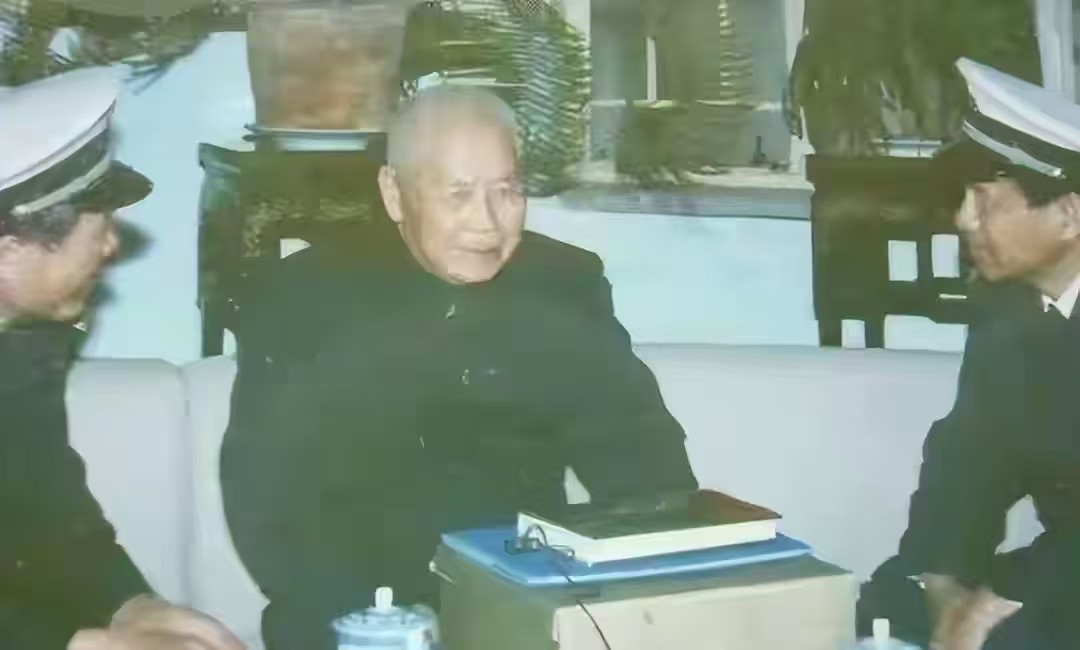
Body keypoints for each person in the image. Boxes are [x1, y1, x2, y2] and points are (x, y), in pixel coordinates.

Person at [221, 86, 699, 650]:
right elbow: (267, 503)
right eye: (459, 194)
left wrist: (625, 597)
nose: (488, 223)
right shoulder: (306, 297)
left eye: (507, 191)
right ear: (394, 194)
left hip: (520, 609)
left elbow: (646, 462)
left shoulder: (561, 285)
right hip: (354, 617)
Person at [0, 69, 245, 650]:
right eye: (99, 230)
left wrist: (131, 607)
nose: (112, 247)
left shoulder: (21, 351)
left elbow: (49, 517)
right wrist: (89, 645)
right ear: (10, 252)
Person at [857, 58, 1080, 650]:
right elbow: (966, 464)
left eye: (983, 200)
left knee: (1012, 631)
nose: (963, 219)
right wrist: (943, 585)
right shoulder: (1008, 311)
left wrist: (1006, 598)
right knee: (890, 604)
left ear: (1069, 214)